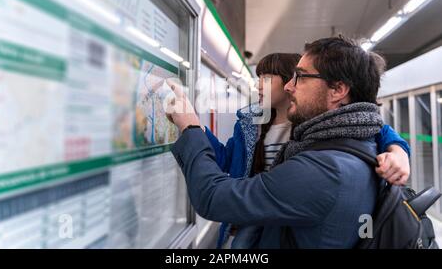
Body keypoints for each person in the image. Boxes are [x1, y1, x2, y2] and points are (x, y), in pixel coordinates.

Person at [166, 36, 400, 248]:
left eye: (299, 77)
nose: (290, 86)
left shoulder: (324, 167)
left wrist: (191, 127)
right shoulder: (346, 140)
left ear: (338, 90)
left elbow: (213, 198)